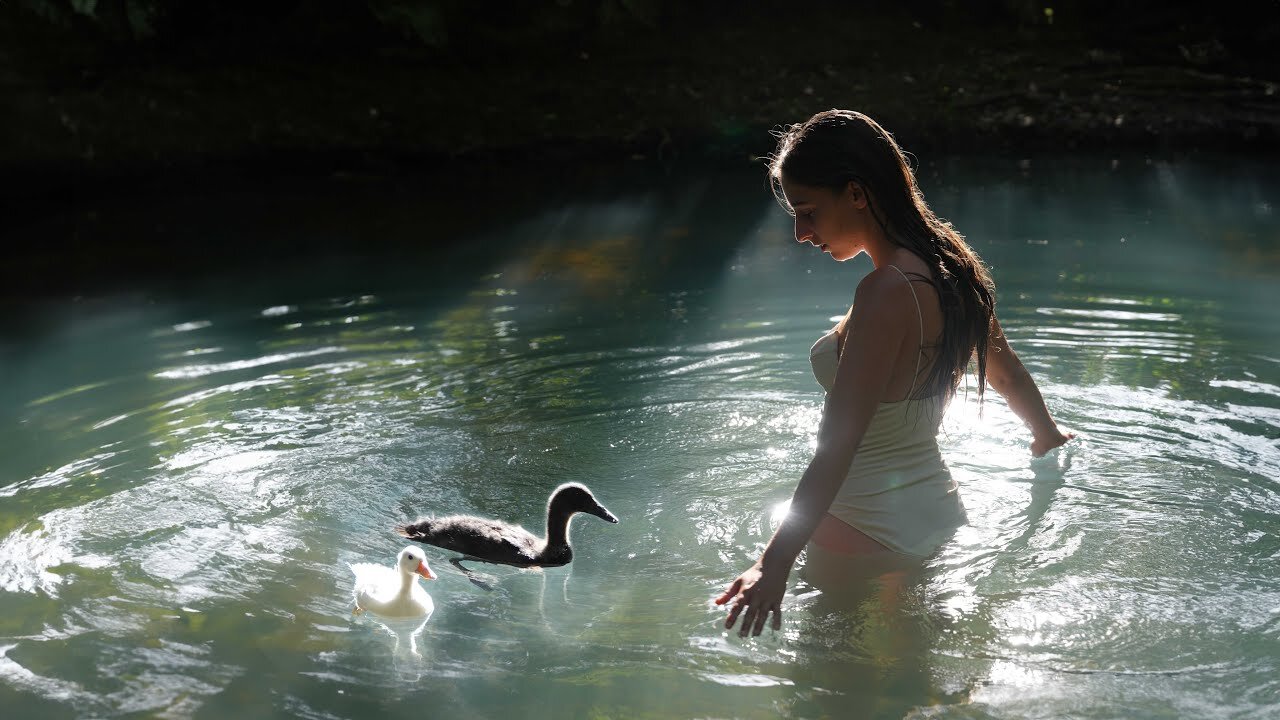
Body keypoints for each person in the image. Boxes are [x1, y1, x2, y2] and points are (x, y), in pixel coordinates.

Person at [715, 109, 1074, 637]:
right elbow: (1008, 375)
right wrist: (1048, 436)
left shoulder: (884, 293)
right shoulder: (954, 269)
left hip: (858, 530)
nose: (799, 232)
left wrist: (773, 563)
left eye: (808, 211)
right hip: (938, 518)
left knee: (829, 700)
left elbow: (837, 445)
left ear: (857, 194)